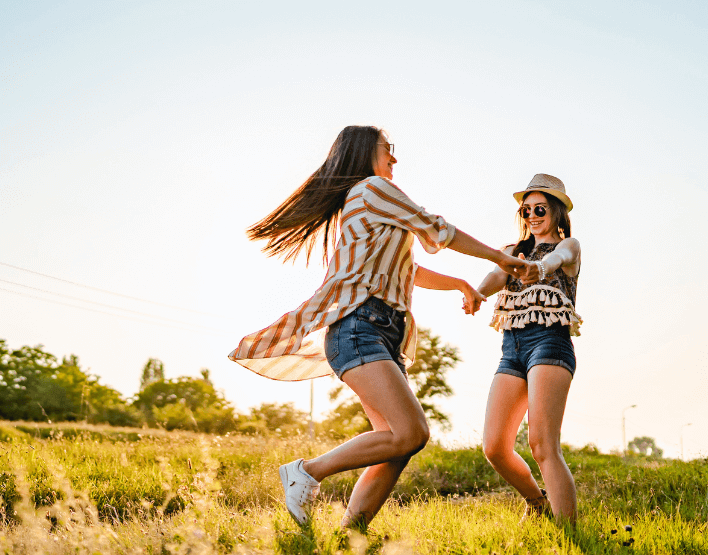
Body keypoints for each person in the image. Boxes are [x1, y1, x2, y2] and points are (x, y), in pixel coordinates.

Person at [229, 126, 527, 529]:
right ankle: (307, 471)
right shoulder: (373, 189)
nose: (395, 158)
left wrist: (458, 283)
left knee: (395, 444)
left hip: (381, 331)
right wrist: (498, 257)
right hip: (359, 328)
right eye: (389, 149)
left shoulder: (371, 201)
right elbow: (436, 227)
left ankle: (351, 534)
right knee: (411, 433)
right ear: (367, 151)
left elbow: (407, 268)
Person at [472, 174, 582, 523]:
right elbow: (494, 278)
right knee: (494, 447)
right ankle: (537, 503)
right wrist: (475, 293)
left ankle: (569, 534)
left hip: (549, 342)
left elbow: (559, 257)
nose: (532, 215)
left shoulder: (569, 247)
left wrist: (539, 267)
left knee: (542, 444)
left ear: (557, 212)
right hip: (513, 349)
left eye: (540, 209)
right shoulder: (512, 252)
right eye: (526, 209)